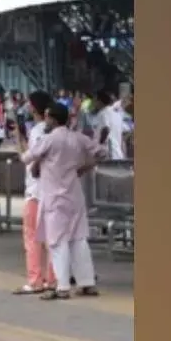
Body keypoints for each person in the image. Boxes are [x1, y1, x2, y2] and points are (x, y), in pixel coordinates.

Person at [21, 102, 104, 300]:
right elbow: (101, 152)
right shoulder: (78, 138)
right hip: (74, 196)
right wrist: (83, 168)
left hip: (54, 198)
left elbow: (26, 158)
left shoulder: (49, 139)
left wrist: (21, 142)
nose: (45, 120)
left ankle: (62, 286)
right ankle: (86, 283)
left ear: (52, 119)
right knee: (79, 240)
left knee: (57, 243)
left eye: (47, 116)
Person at [13, 91, 55, 295]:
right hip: (51, 190)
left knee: (32, 237)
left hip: (35, 191)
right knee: (51, 239)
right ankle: (52, 279)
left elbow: (30, 158)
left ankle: (35, 279)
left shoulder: (38, 130)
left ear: (35, 107)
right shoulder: (55, 131)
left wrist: (18, 140)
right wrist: (20, 138)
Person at [95, 89, 126, 160]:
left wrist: (99, 145)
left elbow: (106, 129)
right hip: (118, 154)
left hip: (108, 154)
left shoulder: (103, 113)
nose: (94, 102)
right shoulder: (117, 114)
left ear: (100, 101)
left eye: (95, 100)